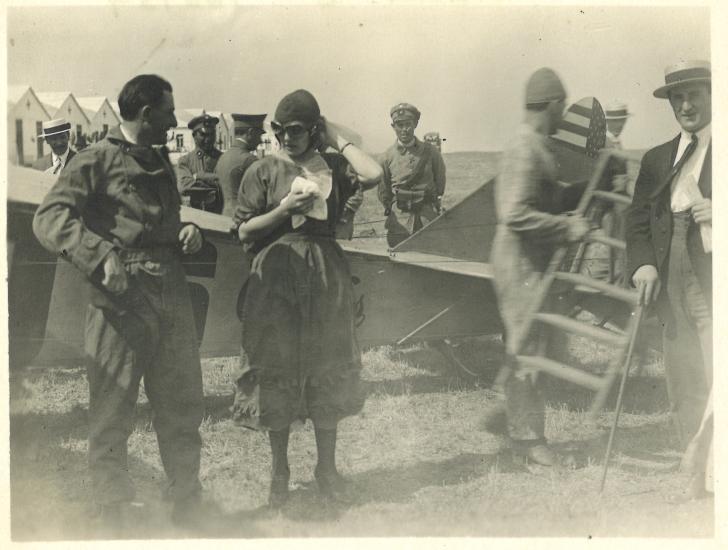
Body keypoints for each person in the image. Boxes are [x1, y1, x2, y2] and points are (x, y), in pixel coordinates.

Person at [32, 74, 210, 530]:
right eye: (169, 111)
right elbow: (49, 217)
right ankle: (113, 509)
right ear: (147, 114)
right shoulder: (97, 158)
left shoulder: (160, 159)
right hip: (121, 299)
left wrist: (185, 231)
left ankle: (186, 497)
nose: (174, 120)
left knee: (182, 401)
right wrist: (98, 255)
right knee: (113, 407)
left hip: (170, 292)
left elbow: (154, 224)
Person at [230, 89, 382, 508]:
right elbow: (243, 231)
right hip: (275, 277)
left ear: (314, 129)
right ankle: (280, 470)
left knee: (326, 366)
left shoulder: (332, 165)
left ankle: (326, 468)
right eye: (278, 129)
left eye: (295, 129)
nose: (284, 137)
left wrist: (338, 138)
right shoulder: (261, 170)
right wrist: (283, 209)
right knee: (276, 369)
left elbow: (373, 175)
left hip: (324, 276)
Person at [489, 68, 589, 466]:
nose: (564, 112)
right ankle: (529, 443)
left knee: (533, 346)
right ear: (552, 104)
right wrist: (567, 226)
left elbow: (545, 198)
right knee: (527, 350)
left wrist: (583, 191)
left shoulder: (538, 145)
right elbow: (514, 213)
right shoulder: (524, 147)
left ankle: (523, 429)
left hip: (531, 261)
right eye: (562, 104)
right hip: (520, 263)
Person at [626, 60, 712, 463]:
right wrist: (643, 264)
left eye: (694, 95)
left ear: (713, 95)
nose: (686, 105)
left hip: (714, 274)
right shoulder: (657, 158)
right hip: (668, 267)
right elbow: (638, 218)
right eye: (678, 98)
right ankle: (694, 459)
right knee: (682, 368)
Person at [378, 102, 446, 247]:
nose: (404, 129)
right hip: (400, 220)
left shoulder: (431, 152)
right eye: (399, 125)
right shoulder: (386, 157)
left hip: (428, 217)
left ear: (415, 124)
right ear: (393, 126)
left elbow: (440, 182)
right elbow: (383, 192)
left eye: (408, 124)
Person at [215, 113, 266, 217]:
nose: (260, 141)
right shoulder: (249, 160)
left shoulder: (223, 157)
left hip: (225, 215)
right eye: (259, 135)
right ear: (250, 132)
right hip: (244, 219)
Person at [176, 113, 223, 213]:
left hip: (220, 212)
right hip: (196, 214)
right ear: (194, 136)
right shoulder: (185, 161)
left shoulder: (223, 158)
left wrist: (200, 176)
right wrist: (215, 184)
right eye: (203, 135)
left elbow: (227, 182)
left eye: (212, 134)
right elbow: (185, 186)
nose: (209, 139)